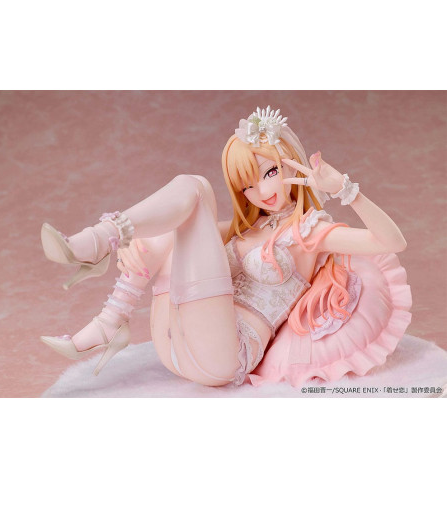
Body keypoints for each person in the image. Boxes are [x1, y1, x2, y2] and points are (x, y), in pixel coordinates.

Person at [40, 106, 411, 386]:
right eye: (247, 185)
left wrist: (344, 189)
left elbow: (392, 241)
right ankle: (111, 318)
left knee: (195, 188)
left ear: (292, 166)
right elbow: (168, 235)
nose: (260, 191)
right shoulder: (244, 230)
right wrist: (134, 245)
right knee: (174, 226)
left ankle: (98, 241)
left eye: (269, 173)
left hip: (226, 354)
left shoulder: (309, 231)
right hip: (176, 345)